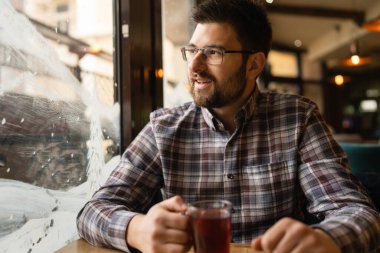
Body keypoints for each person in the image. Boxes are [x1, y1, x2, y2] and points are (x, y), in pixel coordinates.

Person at [77, 0, 380, 252]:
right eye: (192, 50)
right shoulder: (163, 127)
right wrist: (137, 229)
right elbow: (93, 210)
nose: (194, 66)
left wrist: (325, 239)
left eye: (212, 53)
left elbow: (358, 212)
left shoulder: (297, 118)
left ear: (254, 65)